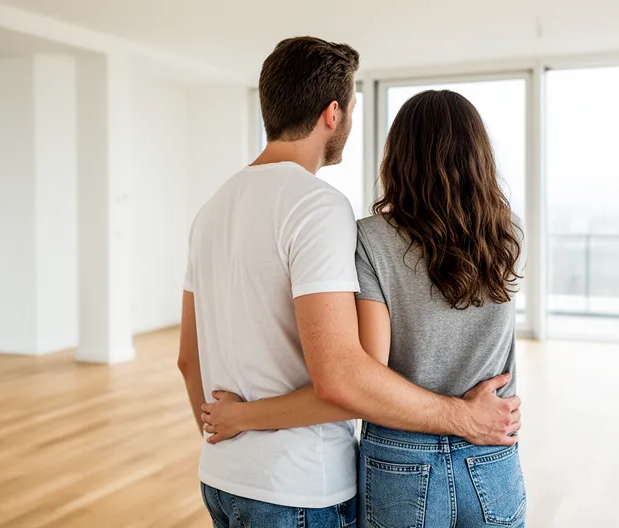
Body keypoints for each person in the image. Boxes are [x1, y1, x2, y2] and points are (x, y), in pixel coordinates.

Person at [177, 37, 521, 527]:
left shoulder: (210, 211)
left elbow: (188, 359)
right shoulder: (317, 207)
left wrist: (226, 432)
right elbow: (345, 378)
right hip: (301, 484)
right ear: (332, 113)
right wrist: (464, 417)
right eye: (353, 109)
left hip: (223, 475)